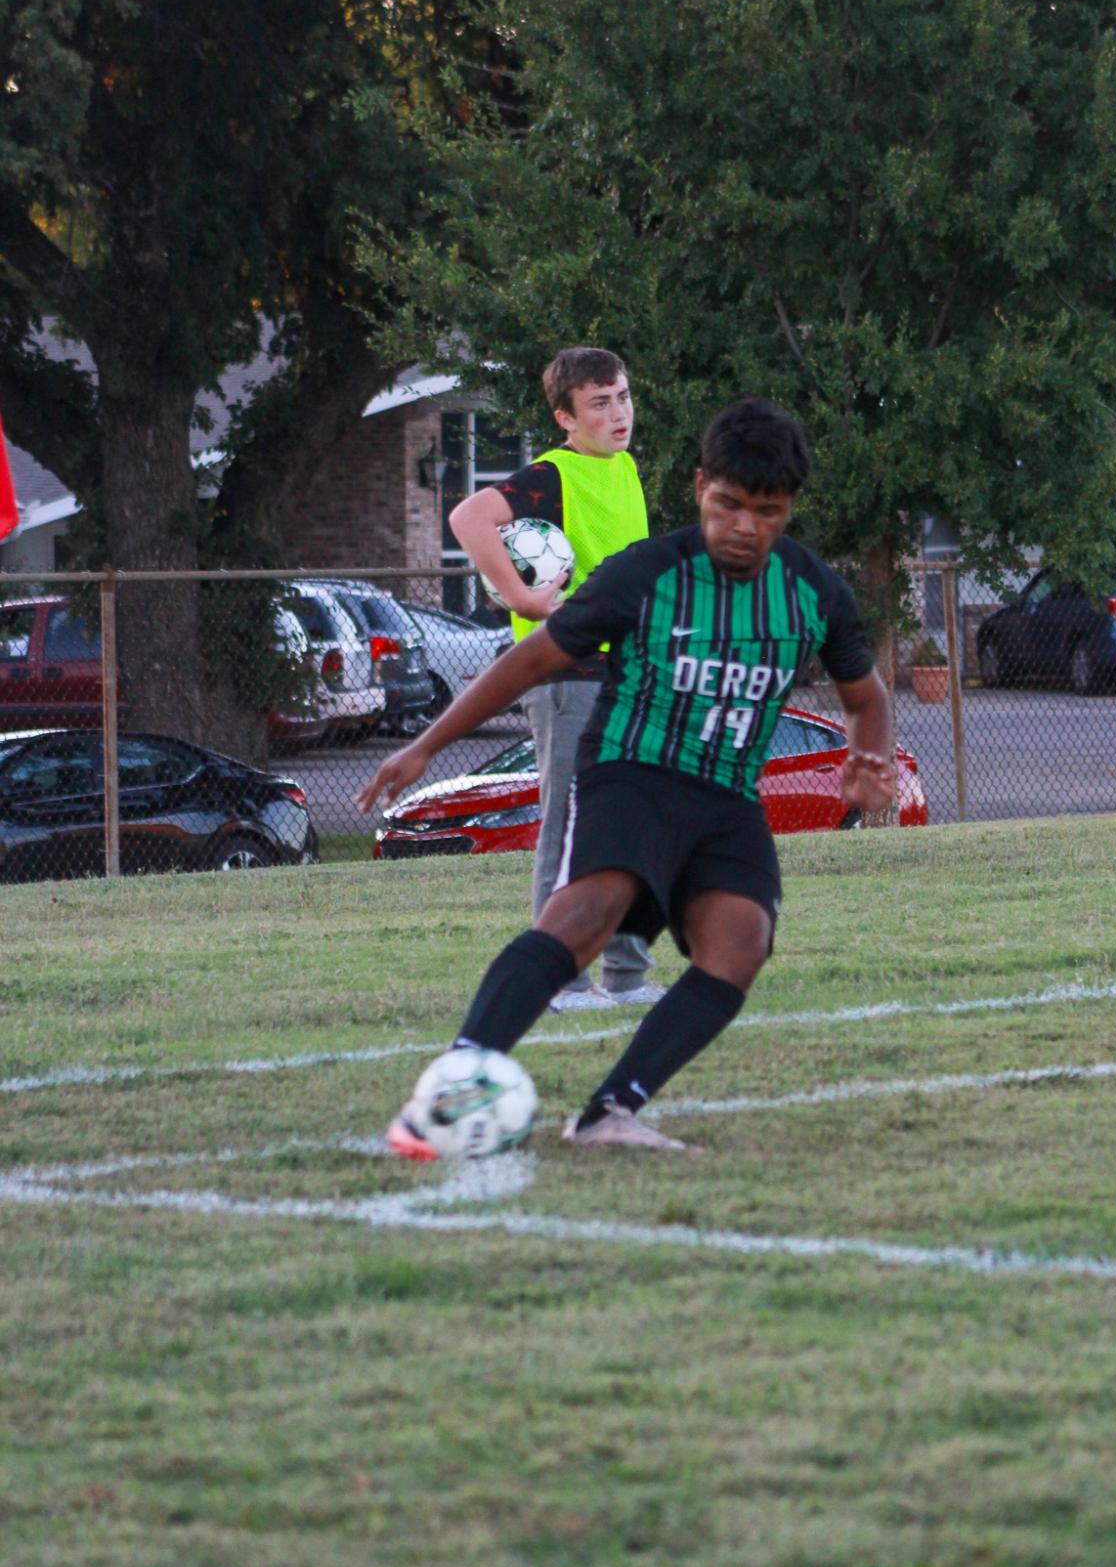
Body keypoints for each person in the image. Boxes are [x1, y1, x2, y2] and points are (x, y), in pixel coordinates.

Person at [359, 398, 896, 1154]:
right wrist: (424, 744)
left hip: (727, 794)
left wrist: (867, 758)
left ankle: (610, 1110)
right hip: (631, 771)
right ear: (700, 484)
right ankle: (457, 1079)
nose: (745, 526)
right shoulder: (646, 573)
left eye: (767, 512)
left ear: (789, 509)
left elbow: (864, 695)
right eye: (728, 504)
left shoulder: (813, 591)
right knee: (587, 911)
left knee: (742, 942)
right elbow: (528, 659)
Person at [448, 346, 658, 1011]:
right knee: (570, 825)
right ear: (566, 417)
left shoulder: (624, 469)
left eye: (622, 396)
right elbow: (468, 518)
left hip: (629, 675)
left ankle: (625, 976)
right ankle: (560, 978)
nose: (617, 412)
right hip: (567, 674)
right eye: (599, 402)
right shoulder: (552, 474)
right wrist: (524, 597)